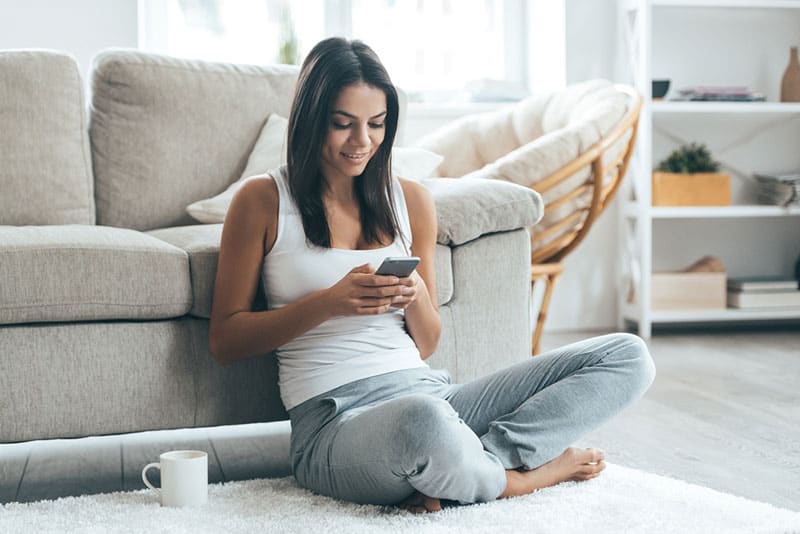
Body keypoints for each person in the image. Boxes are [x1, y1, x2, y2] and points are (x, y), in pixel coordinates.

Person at [209, 37, 656, 514]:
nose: (362, 142)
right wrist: (330, 302)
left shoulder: (412, 202)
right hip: (333, 423)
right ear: (311, 119)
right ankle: (521, 479)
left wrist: (415, 292)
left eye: (376, 124)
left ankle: (476, 463)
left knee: (627, 356)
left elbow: (426, 344)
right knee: (422, 425)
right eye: (343, 124)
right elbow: (226, 340)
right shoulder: (261, 201)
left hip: (433, 395)